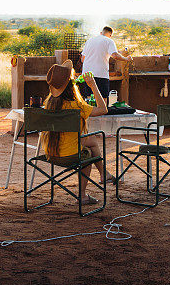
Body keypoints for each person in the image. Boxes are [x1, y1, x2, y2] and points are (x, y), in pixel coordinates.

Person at [42, 59, 115, 205]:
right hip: (70, 155)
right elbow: (103, 109)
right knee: (87, 153)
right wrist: (93, 85)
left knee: (92, 140)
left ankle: (103, 174)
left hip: (51, 152)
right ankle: (83, 195)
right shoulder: (76, 105)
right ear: (71, 84)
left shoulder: (48, 103)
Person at [79, 26, 132, 101]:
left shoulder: (90, 40)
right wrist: (126, 59)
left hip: (87, 75)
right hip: (100, 75)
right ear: (110, 35)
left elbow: (82, 59)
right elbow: (115, 55)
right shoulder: (109, 41)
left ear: (101, 33)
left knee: (89, 99)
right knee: (103, 100)